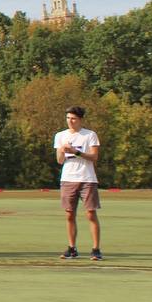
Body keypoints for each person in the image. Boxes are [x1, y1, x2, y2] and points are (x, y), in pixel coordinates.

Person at [55, 106, 103, 261]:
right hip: (68, 178)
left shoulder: (90, 135)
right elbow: (60, 161)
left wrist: (76, 151)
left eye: (73, 118)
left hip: (87, 178)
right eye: (68, 118)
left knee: (90, 213)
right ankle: (72, 248)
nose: (70, 121)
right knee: (69, 214)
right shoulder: (60, 135)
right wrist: (62, 151)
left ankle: (96, 249)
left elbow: (94, 157)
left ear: (80, 119)